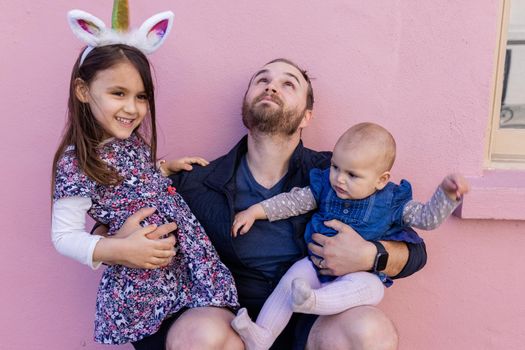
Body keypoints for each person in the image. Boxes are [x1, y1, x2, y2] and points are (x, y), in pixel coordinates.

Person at [139, 58, 428, 349]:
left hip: (313, 315)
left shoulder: (339, 175)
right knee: (197, 334)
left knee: (370, 330)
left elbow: (415, 253)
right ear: (245, 105)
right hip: (231, 318)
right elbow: (121, 215)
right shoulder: (199, 181)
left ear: (306, 116)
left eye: (288, 83)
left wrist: (371, 255)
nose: (272, 87)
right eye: (262, 80)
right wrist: (109, 241)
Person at [51, 6, 238, 346]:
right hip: (144, 282)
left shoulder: (130, 140)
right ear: (82, 91)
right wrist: (120, 250)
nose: (132, 108)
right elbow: (63, 236)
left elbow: (131, 179)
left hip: (182, 268)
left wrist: (165, 168)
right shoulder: (76, 162)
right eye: (117, 93)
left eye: (141, 97)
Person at [227, 122, 469, 349]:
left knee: (373, 288)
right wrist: (255, 212)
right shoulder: (325, 187)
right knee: (291, 281)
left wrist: (446, 196)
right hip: (315, 265)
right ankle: (262, 336)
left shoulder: (393, 202)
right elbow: (293, 201)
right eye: (335, 167)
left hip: (357, 276)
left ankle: (314, 301)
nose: (339, 179)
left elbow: (426, 219)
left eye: (352, 175)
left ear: (381, 180)